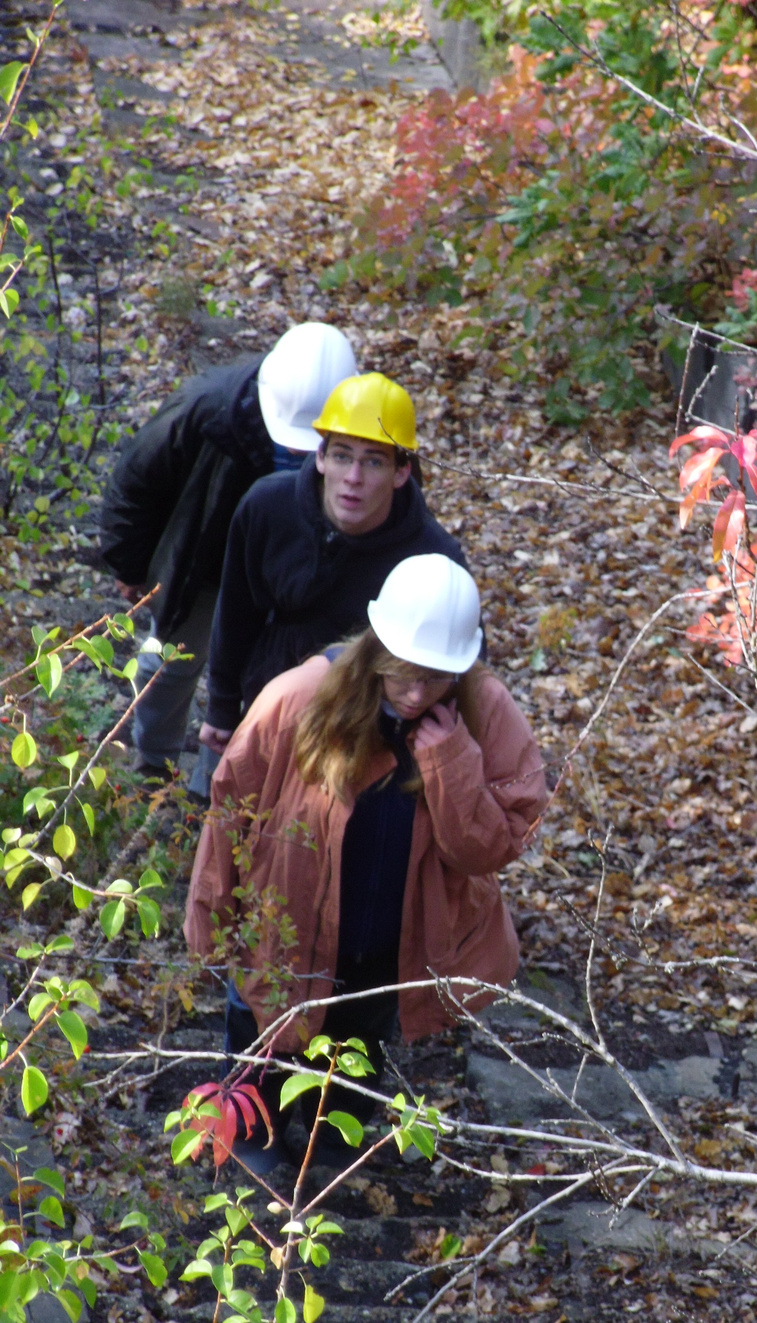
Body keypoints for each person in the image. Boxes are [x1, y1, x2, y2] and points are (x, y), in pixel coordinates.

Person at [184, 553, 545, 1164]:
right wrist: (211, 922)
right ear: (376, 648)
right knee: (255, 1098)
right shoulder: (298, 699)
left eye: (434, 678)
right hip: (283, 944)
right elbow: (228, 812)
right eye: (401, 672)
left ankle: (323, 1186)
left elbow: (494, 848)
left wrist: (451, 760)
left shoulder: (484, 712)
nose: (413, 692)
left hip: (382, 961)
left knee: (342, 1108)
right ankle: (248, 1188)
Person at [99, 322, 358, 794]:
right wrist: (130, 565)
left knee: (254, 682)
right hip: (204, 565)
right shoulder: (206, 408)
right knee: (172, 659)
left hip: (287, 576)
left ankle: (213, 787)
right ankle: (152, 761)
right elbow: (135, 482)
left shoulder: (364, 433)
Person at [199, 372, 467, 766]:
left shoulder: (434, 560)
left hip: (364, 739)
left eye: (374, 461)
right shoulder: (267, 507)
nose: (353, 479)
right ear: (320, 457)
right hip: (262, 701)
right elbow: (236, 612)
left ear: (401, 472)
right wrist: (221, 707)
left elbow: (456, 669)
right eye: (342, 455)